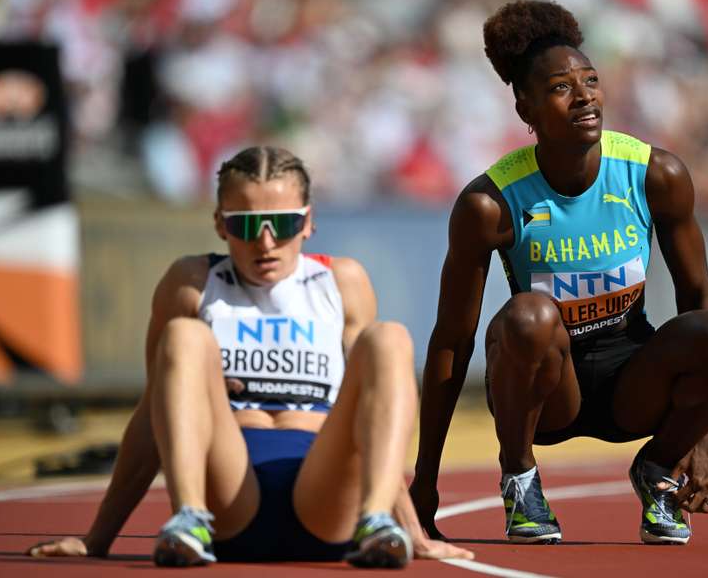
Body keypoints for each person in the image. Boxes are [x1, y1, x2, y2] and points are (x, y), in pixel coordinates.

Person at [410, 0, 708, 546]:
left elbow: (696, 293)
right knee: (529, 315)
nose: (585, 96)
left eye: (590, 80)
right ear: (526, 109)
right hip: (546, 390)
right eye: (560, 88)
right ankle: (520, 479)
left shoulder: (655, 173)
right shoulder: (490, 202)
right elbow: (451, 342)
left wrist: (707, 434)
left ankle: (656, 470)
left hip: (631, 383)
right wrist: (423, 481)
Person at [27, 146, 473, 567]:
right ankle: (188, 519)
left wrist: (412, 531)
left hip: (324, 492)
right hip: (228, 493)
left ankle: (377, 523)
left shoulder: (342, 282)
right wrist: (96, 539)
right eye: (245, 225)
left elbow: (373, 415)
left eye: (281, 224)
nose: (264, 243)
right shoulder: (191, 282)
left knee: (390, 339)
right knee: (184, 335)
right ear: (220, 225)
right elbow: (153, 414)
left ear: (308, 223)